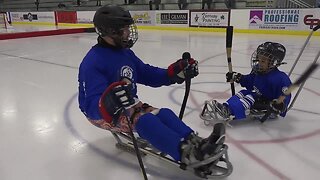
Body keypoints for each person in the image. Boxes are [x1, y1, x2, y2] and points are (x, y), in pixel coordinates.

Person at [78, 5, 226, 171]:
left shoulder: (125, 53)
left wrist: (174, 73)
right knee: (146, 121)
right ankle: (187, 154)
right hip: (104, 114)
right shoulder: (92, 62)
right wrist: (109, 101)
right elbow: (90, 105)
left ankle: (197, 143)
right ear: (110, 31)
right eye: (124, 29)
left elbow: (147, 74)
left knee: (164, 114)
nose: (128, 32)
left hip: (130, 104)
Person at [202, 42, 292, 122]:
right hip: (260, 98)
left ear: (274, 62)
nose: (259, 62)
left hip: (269, 108)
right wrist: (239, 77)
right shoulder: (259, 71)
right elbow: (250, 81)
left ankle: (229, 111)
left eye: (263, 60)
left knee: (250, 97)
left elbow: (285, 95)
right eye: (259, 59)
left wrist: (280, 105)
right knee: (243, 93)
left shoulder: (280, 78)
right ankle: (226, 107)